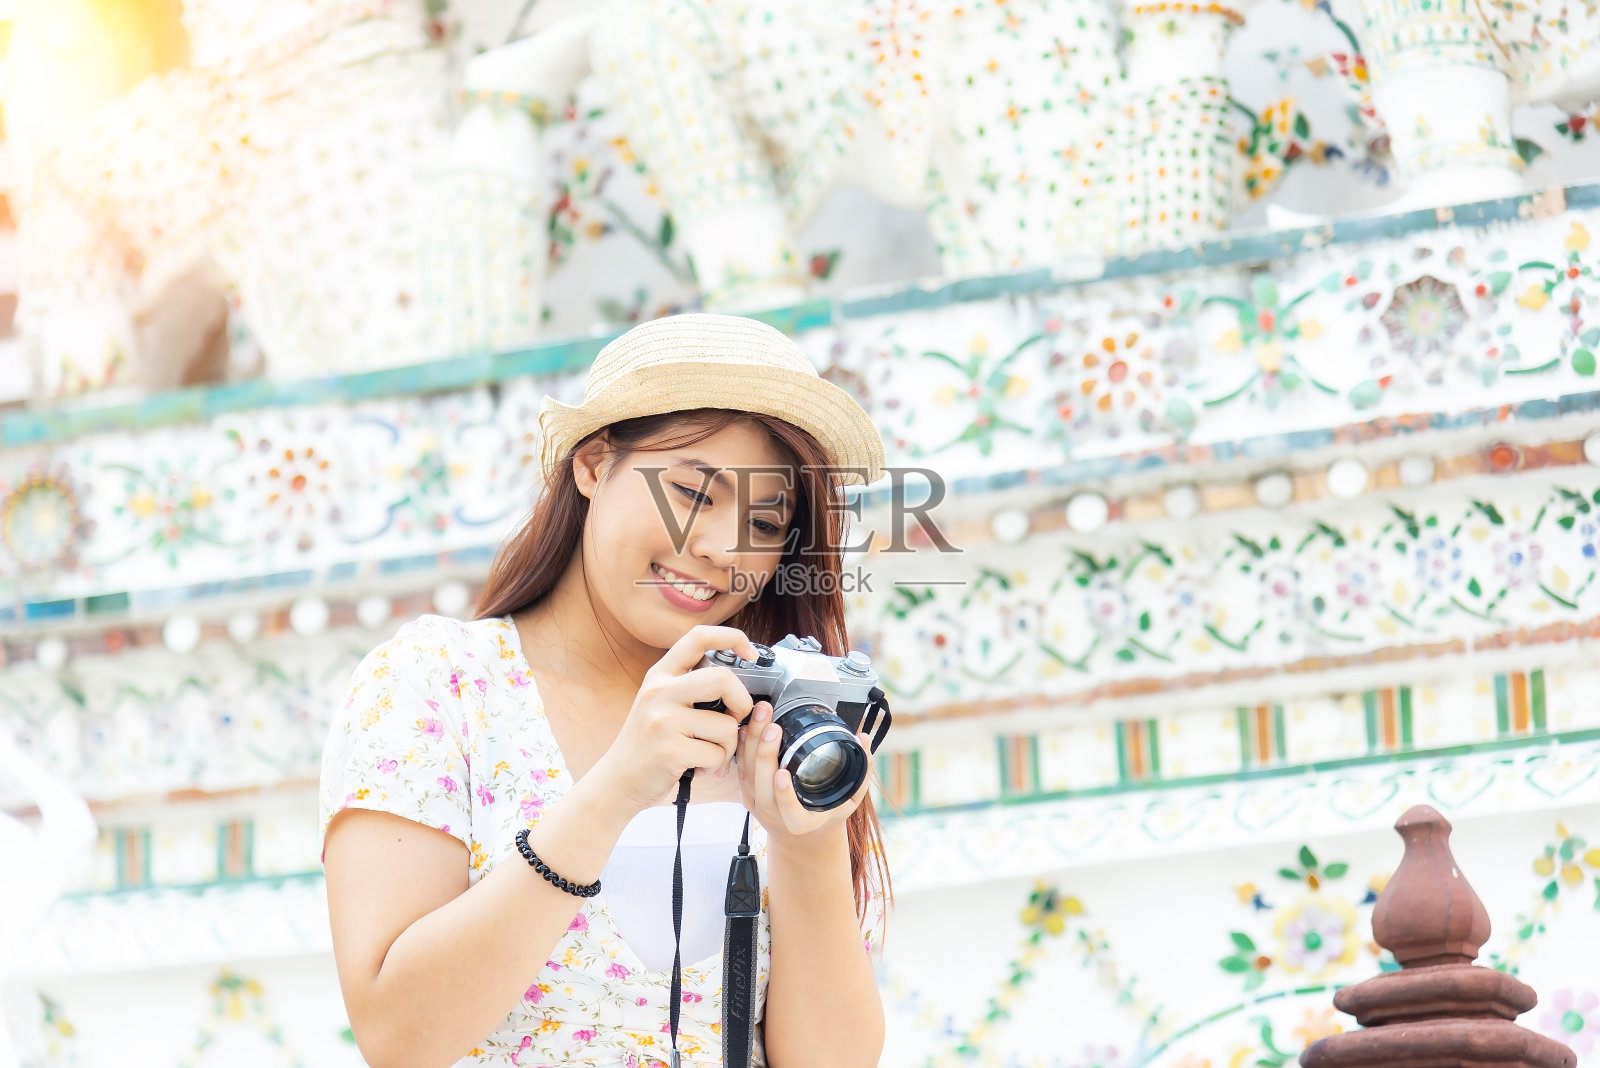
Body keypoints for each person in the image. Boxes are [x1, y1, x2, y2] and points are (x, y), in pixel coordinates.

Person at [318, 313, 891, 1068]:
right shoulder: (436, 685)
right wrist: (618, 784)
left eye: (763, 519)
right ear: (593, 464)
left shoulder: (771, 719)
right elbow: (398, 1036)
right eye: (692, 492)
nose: (722, 547)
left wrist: (805, 845)